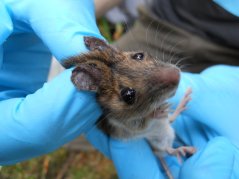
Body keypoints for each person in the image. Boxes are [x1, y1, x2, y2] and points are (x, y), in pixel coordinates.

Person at [1, 1, 239, 179]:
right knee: (74, 133)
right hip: (183, 21)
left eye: (139, 57)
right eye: (128, 94)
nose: (170, 75)